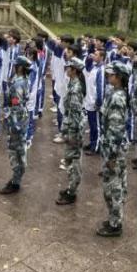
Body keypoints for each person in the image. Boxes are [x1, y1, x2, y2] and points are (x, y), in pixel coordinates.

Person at [97, 62, 130, 237]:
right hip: (113, 147)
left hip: (114, 150)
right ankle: (113, 217)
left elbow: (116, 130)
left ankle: (115, 223)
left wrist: (111, 156)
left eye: (111, 74)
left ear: (118, 77)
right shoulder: (114, 93)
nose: (108, 76)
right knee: (115, 185)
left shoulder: (117, 97)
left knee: (113, 188)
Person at [56, 57, 88, 205]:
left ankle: (72, 191)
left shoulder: (75, 89)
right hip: (71, 128)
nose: (66, 69)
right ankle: (71, 187)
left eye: (69, 67)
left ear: (74, 70)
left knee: (73, 160)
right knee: (70, 159)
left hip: (73, 130)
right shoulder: (73, 84)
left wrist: (72, 135)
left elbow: (75, 114)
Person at [0, 56, 32, 195]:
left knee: (16, 150)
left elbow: (16, 104)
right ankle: (16, 178)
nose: (13, 67)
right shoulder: (22, 80)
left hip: (17, 119)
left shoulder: (18, 83)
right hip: (21, 117)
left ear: (19, 67)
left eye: (15, 65)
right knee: (18, 148)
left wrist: (12, 121)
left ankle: (16, 181)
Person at [84, 45, 106, 154]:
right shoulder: (94, 66)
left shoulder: (101, 70)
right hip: (89, 101)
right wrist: (89, 57)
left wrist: (98, 102)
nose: (94, 56)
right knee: (91, 125)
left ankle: (96, 147)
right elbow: (86, 66)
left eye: (96, 55)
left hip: (95, 103)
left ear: (102, 57)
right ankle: (92, 142)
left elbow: (100, 87)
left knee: (96, 126)